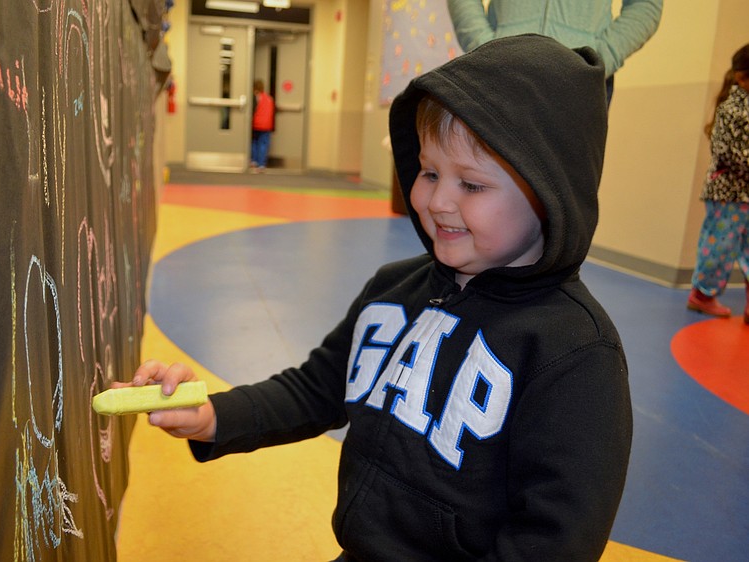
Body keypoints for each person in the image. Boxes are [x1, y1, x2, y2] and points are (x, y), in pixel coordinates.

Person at [122, 35, 632, 561]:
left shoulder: (574, 352)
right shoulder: (394, 289)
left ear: (552, 192)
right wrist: (212, 415)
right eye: (430, 172)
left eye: (472, 185)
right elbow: (315, 388)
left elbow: (554, 541)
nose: (436, 200)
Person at [446, 0, 662, 104]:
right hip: (499, 74)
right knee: (489, 179)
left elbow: (645, 5)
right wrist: (485, 47)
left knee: (569, 187)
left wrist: (599, 56)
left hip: (581, 81)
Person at [687, 44, 749, 324]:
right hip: (728, 191)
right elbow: (725, 151)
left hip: (745, 190)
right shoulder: (732, 108)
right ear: (741, 77)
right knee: (720, 245)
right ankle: (702, 295)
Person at [250, 79, 275, 172]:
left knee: (254, 142)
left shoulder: (255, 97)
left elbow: (253, 111)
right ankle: (261, 165)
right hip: (267, 125)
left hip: (256, 124)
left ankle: (254, 161)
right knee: (263, 144)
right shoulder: (269, 98)